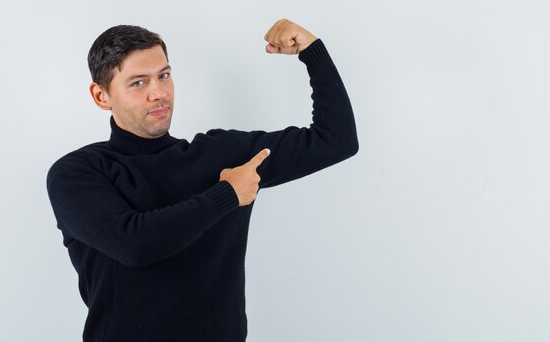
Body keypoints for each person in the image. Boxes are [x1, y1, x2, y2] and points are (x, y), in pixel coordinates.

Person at [46, 18, 359, 342]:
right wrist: (226, 195)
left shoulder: (222, 154)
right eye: (138, 83)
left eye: (164, 75)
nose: (158, 93)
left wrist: (312, 51)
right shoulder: (78, 173)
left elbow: (336, 140)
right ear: (101, 96)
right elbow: (135, 245)